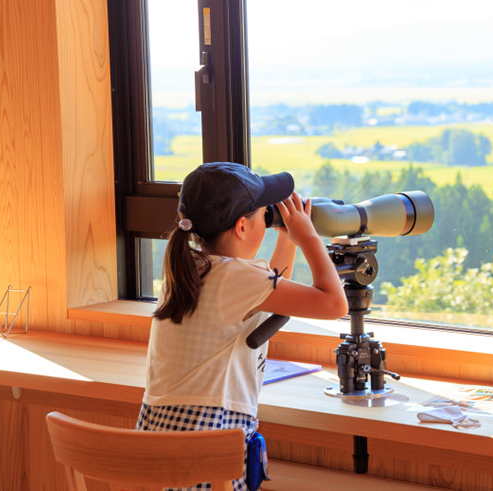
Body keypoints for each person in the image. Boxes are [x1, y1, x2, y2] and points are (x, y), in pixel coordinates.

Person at [136, 162, 348, 491]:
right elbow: (335, 304)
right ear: (241, 228)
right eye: (265, 214)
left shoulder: (188, 267)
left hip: (159, 449)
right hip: (207, 444)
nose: (268, 219)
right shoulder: (237, 278)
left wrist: (286, 240)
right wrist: (307, 236)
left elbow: (273, 294)